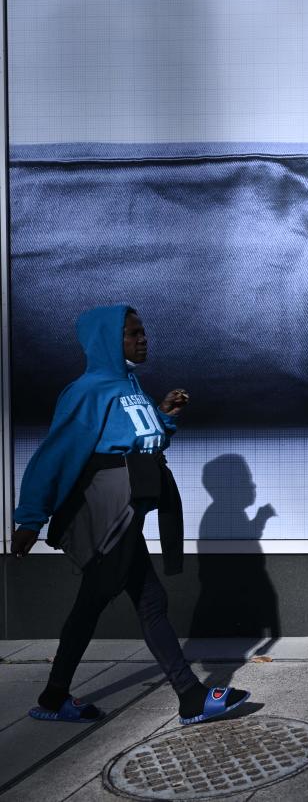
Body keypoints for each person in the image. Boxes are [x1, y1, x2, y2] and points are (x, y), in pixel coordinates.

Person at [10, 305, 249, 724]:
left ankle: (53, 698)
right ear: (107, 340)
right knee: (124, 602)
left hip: (128, 509)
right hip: (111, 512)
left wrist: (164, 416)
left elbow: (140, 438)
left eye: (142, 332)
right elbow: (56, 454)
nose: (143, 339)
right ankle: (190, 697)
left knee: (120, 602)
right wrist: (31, 518)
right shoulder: (87, 391)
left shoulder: (129, 385)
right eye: (133, 333)